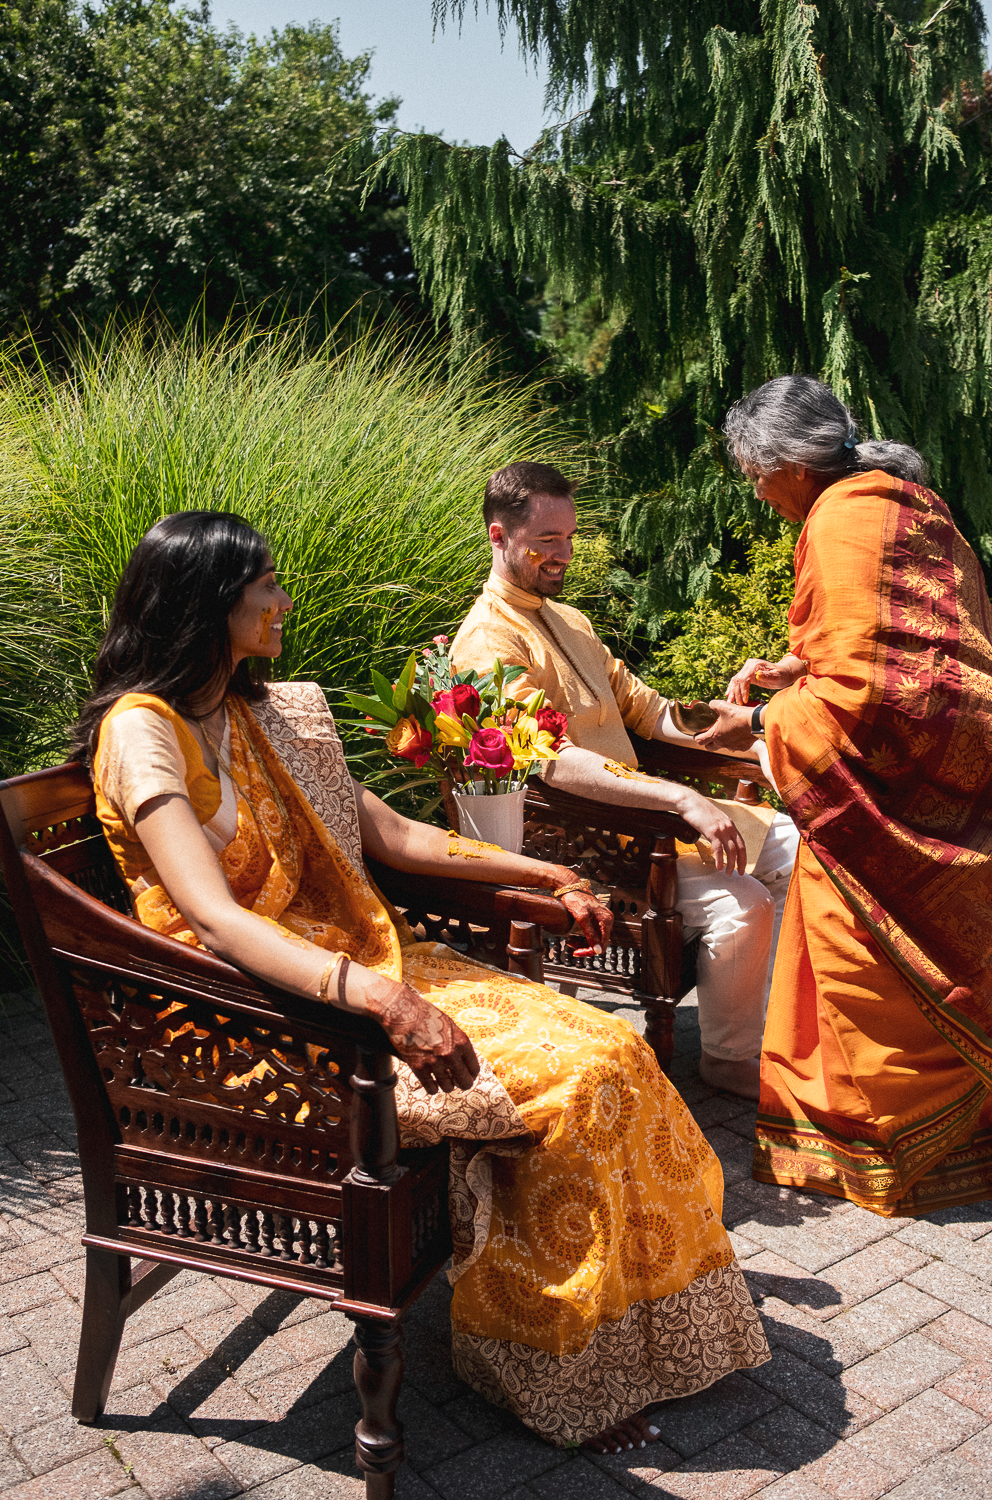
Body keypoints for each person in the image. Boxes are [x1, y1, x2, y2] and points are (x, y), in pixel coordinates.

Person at [71, 510, 769, 1452]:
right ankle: (550, 1364)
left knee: (614, 1053)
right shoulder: (142, 733)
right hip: (266, 1025)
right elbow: (214, 919)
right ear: (204, 604)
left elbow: (392, 838)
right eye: (263, 586)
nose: (283, 600)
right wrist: (381, 999)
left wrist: (539, 874)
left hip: (355, 975)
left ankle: (629, 1337)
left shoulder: (253, 712)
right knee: (576, 1085)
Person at [696, 374, 992, 1216]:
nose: (757, 492)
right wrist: (797, 668)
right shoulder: (909, 503)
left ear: (790, 463)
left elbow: (867, 691)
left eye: (756, 473)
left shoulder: (836, 522)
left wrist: (760, 720)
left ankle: (878, 1147)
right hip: (955, 759)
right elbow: (923, 648)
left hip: (880, 780)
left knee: (854, 957)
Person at [452, 461, 799, 1100]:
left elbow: (653, 712)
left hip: (644, 820)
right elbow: (548, 760)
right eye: (546, 541)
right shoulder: (485, 644)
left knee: (807, 852)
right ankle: (729, 1057)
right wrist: (681, 797)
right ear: (499, 537)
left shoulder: (572, 623)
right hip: (583, 840)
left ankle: (772, 1023)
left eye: (570, 536)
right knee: (744, 902)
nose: (563, 553)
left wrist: (758, 733)